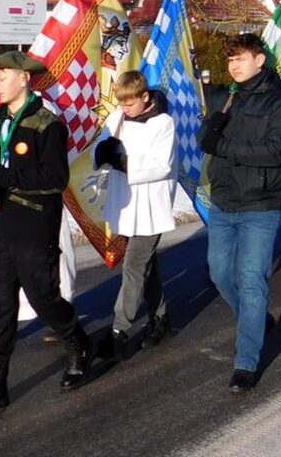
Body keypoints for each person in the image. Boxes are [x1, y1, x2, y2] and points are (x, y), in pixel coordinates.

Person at [0, 51, 95, 422]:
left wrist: (4, 178)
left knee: (43, 297)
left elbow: (54, 179)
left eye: (3, 75)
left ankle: (78, 343)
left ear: (25, 79)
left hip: (33, 225)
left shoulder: (47, 124)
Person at [199, 33, 281, 393]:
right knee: (221, 273)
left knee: (252, 280)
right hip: (224, 201)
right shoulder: (227, 98)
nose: (233, 65)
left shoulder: (279, 103)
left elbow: (275, 151)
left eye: (240, 58)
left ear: (260, 59)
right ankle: (253, 322)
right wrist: (207, 133)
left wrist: (224, 146)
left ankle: (246, 362)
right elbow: (208, 135)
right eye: (229, 60)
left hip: (261, 204)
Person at [92, 70, 177, 361]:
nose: (125, 108)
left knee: (133, 264)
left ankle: (119, 329)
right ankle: (161, 318)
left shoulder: (163, 123)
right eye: (122, 103)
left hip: (151, 206)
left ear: (145, 97)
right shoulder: (116, 118)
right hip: (127, 204)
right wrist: (101, 153)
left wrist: (122, 161)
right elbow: (103, 148)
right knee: (146, 264)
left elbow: (160, 165)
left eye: (130, 103)